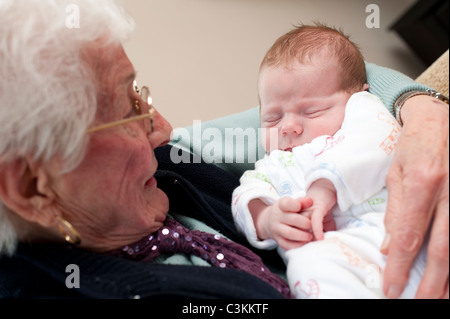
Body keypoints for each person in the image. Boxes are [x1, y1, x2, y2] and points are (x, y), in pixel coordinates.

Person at [0, 0, 447, 299]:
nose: (164, 129)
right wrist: (266, 217)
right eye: (127, 108)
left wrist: (425, 118)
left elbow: (340, 78)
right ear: (32, 188)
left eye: (141, 94)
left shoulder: (171, 162)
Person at [231, 24, 427, 298]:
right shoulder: (270, 167)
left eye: (311, 111)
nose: (288, 127)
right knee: (306, 265)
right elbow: (244, 196)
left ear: (359, 95)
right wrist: (267, 218)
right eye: (272, 118)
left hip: (407, 226)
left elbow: (381, 138)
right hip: (339, 254)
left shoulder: (363, 117)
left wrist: (325, 185)